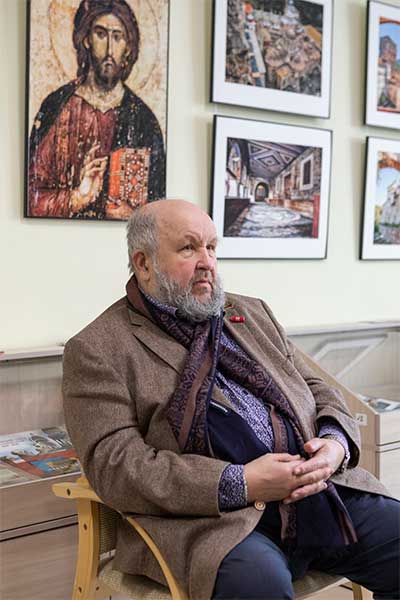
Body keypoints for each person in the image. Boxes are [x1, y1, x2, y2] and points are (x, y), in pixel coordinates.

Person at [63, 200, 400, 600]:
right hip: (211, 520)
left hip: (315, 490)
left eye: (211, 247)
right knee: (258, 585)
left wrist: (334, 445)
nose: (207, 262)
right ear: (144, 263)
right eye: (188, 248)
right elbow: (116, 466)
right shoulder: (98, 348)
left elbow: (316, 386)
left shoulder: (251, 313)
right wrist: (242, 483)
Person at [28, 0, 165, 219]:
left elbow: (159, 207)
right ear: (86, 39)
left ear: (128, 47)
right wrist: (76, 198)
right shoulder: (57, 107)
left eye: (118, 37)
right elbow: (31, 196)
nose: (110, 49)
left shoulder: (144, 120)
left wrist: (132, 215)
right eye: (101, 34)